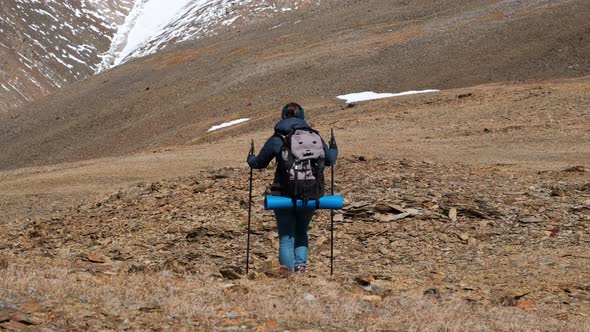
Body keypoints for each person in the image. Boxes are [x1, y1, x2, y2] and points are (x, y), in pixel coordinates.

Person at [247, 102, 338, 272]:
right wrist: (334, 148)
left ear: (283, 116)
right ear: (302, 116)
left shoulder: (278, 138)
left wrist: (250, 158)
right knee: (302, 232)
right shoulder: (314, 137)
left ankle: (287, 277)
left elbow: (259, 163)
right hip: (311, 193)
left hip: (283, 193)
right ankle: (300, 269)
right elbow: (330, 160)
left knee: (286, 237)